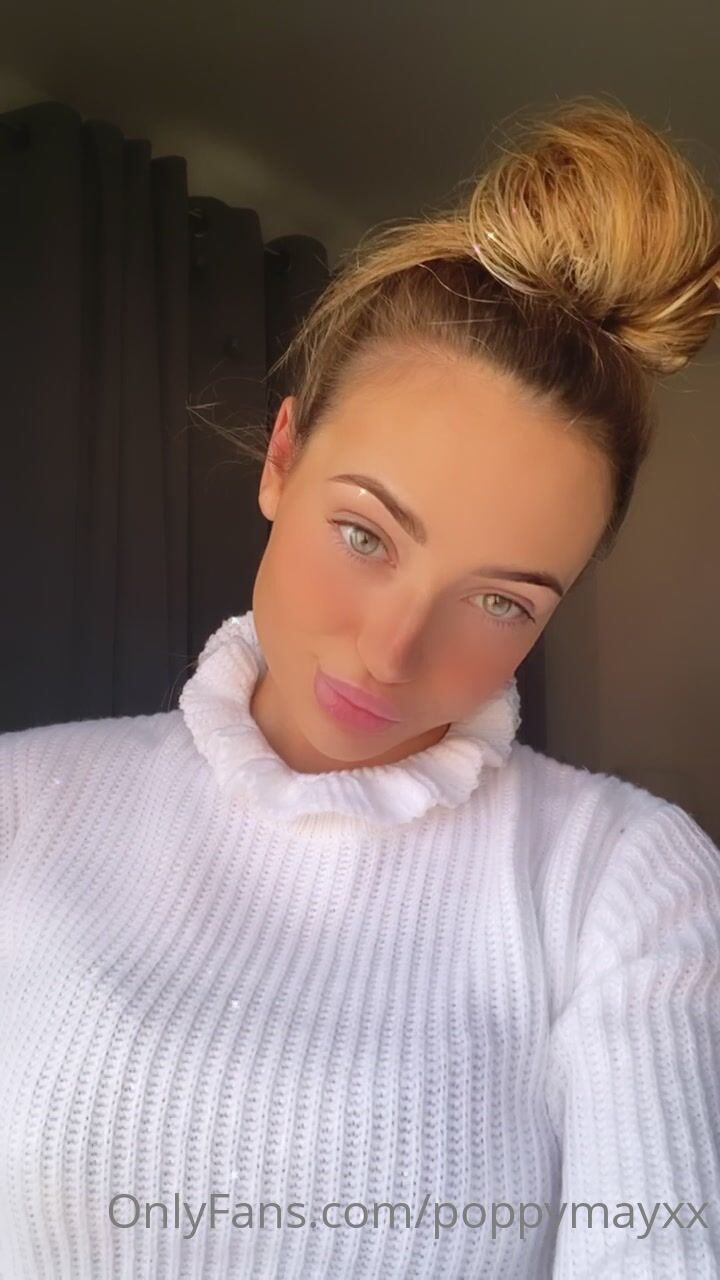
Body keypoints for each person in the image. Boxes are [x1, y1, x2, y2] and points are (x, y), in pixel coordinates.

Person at [1, 97, 719, 1280]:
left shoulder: (620, 881)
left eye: (502, 601)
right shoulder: (24, 806)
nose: (392, 651)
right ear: (282, 459)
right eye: (366, 533)